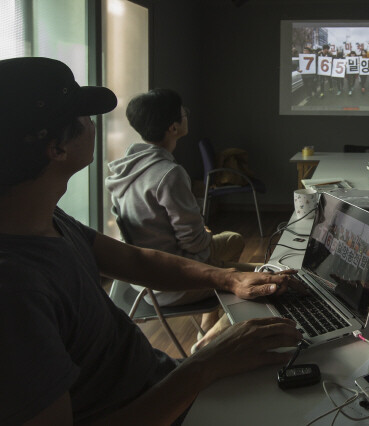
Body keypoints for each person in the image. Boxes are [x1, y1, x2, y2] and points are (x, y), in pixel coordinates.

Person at [0, 57, 303, 424]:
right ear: (56, 149)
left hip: (164, 379)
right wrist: (205, 365)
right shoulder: (15, 287)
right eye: (83, 115)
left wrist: (228, 278)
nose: (92, 123)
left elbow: (138, 262)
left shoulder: (42, 216)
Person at [105, 89, 254, 348]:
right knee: (263, 281)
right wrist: (204, 234)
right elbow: (196, 245)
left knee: (233, 240)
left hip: (145, 276)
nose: (187, 114)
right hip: (173, 281)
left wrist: (201, 235)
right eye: (183, 112)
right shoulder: (168, 174)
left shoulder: (128, 167)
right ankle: (208, 346)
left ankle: (207, 324)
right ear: (174, 127)